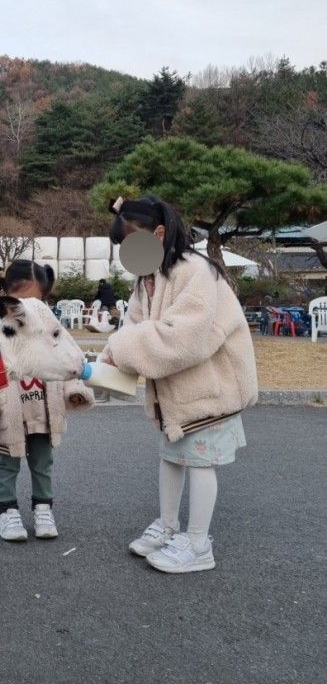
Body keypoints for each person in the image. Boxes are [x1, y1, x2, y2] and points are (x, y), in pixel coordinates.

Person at [102, 196, 257, 573]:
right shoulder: (148, 279)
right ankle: (169, 527)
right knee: (172, 456)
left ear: (158, 233)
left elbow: (181, 337)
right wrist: (108, 363)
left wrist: (119, 348)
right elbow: (135, 331)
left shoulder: (194, 270)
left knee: (201, 462)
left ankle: (199, 544)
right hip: (178, 392)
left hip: (211, 387)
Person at [0, 260, 95, 541]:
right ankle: (7, 512)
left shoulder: (48, 325)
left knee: (43, 463)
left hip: (44, 410)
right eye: (23, 300)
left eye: (37, 300)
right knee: (7, 464)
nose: (32, 308)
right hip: (9, 413)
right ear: (5, 294)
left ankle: (43, 508)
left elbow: (65, 358)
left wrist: (74, 388)